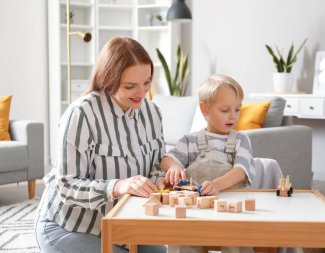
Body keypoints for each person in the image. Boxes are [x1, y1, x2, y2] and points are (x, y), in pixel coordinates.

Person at [35, 37, 167, 253]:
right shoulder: (81, 114)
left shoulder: (153, 113)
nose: (142, 93)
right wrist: (116, 186)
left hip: (123, 224)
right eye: (130, 86)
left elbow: (156, 165)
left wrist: (162, 180)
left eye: (147, 82)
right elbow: (66, 185)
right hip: (70, 226)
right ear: (110, 79)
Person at [161, 74, 255, 253]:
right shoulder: (190, 141)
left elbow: (240, 172)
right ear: (205, 109)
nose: (232, 116)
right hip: (195, 211)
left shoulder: (241, 140)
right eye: (225, 110)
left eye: (237, 109)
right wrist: (174, 167)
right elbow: (167, 159)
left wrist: (216, 185)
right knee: (181, 241)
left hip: (232, 210)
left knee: (237, 243)